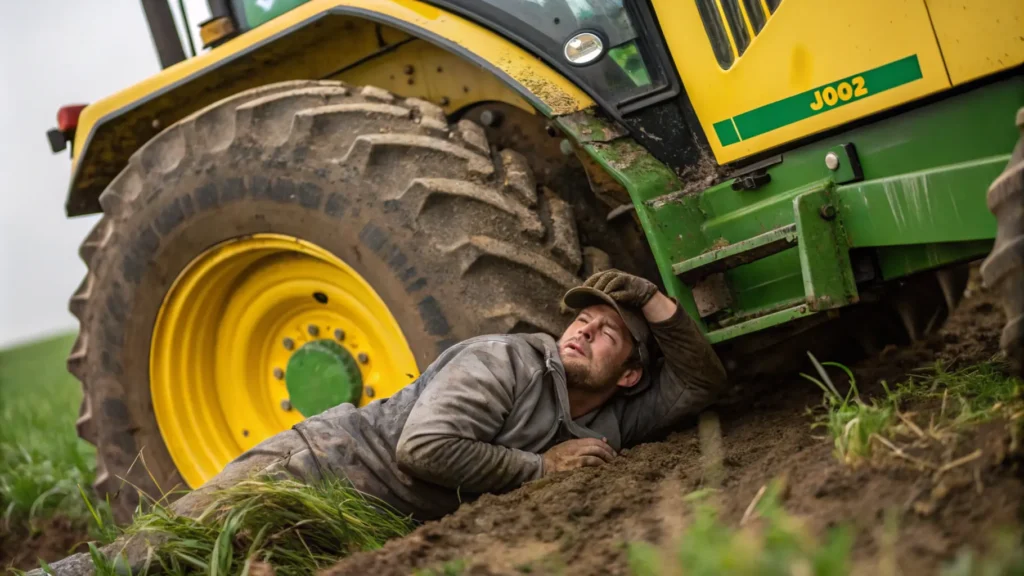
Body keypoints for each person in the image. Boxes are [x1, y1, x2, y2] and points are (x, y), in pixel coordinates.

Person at [39, 269, 726, 574]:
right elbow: (424, 449)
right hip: (310, 471)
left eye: (606, 333)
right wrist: (541, 469)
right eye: (580, 318)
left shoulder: (608, 429)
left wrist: (654, 300)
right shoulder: (508, 360)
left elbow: (701, 383)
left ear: (630, 374)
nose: (580, 331)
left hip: (354, 522)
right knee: (150, 557)